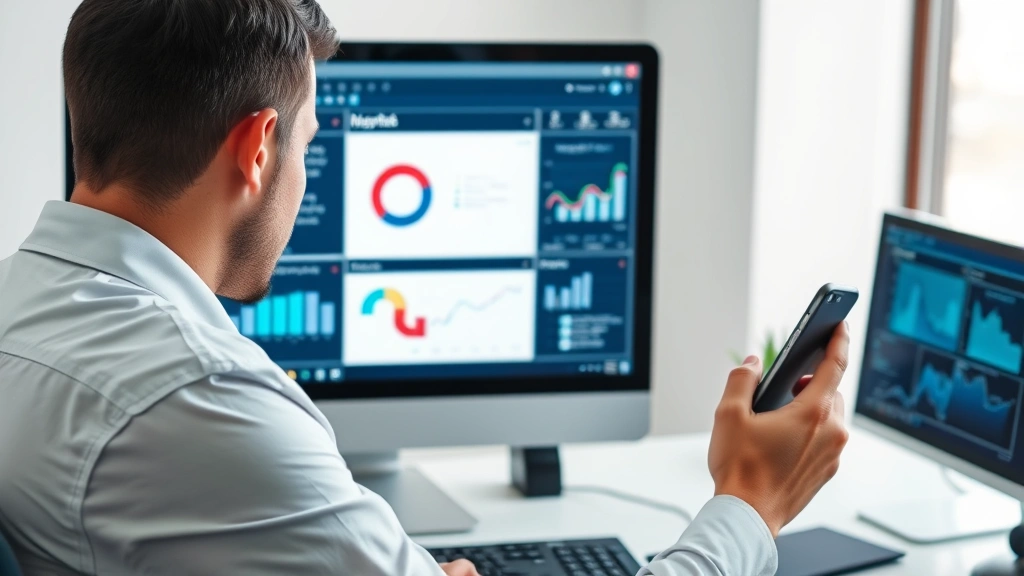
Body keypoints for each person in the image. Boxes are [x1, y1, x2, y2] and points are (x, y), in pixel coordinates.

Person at [0, 1, 850, 575]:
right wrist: (750, 503)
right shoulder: (201, 402)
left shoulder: (22, 308)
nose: (305, 174)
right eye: (308, 143)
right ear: (258, 149)